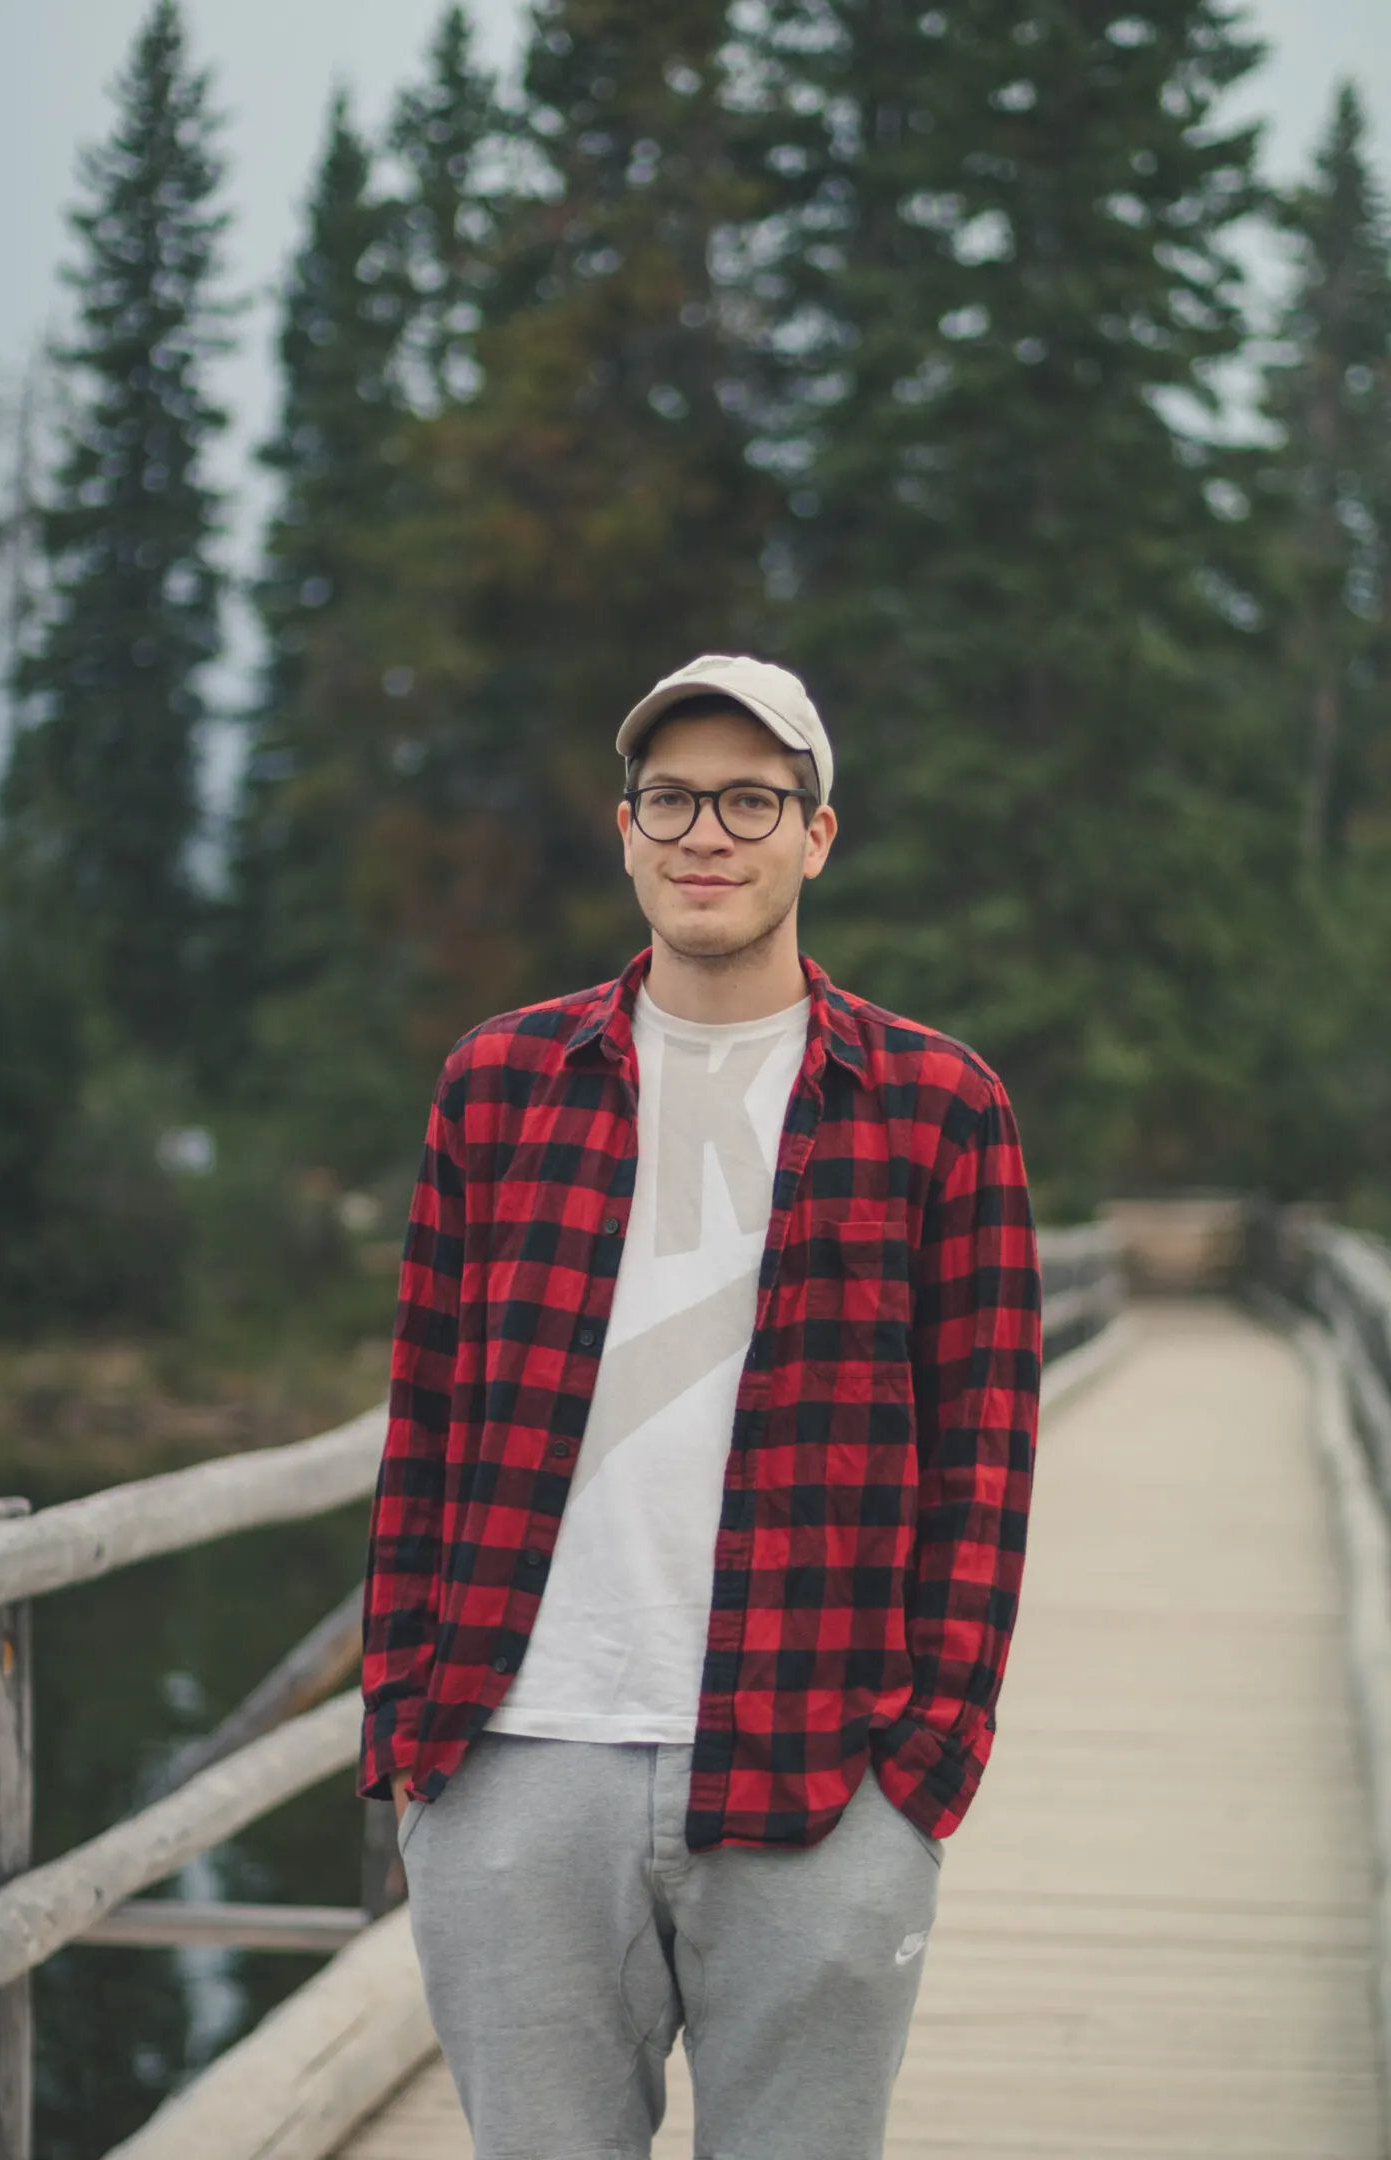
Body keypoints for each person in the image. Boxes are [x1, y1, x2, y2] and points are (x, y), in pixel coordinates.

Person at [359, 654, 1041, 2160]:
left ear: (816, 834)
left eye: (751, 797)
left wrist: (924, 1771)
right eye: (673, 797)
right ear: (625, 829)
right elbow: (425, 1424)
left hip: (820, 1765)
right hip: (517, 1762)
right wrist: (410, 1719)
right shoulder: (499, 1085)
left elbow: (985, 1464)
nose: (705, 832)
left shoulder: (937, 1104)